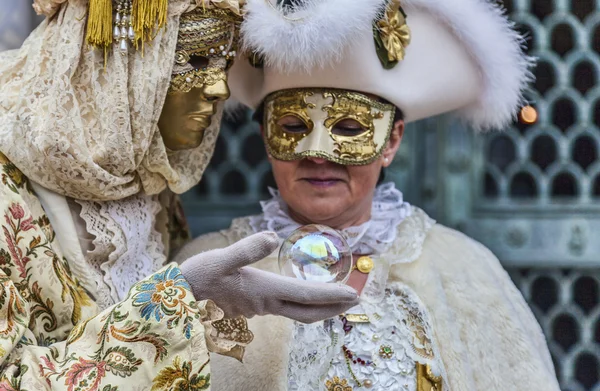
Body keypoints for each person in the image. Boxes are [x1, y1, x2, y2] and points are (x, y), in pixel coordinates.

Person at [173, 0, 562, 389]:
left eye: (348, 128)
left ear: (391, 141)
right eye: (292, 125)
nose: (317, 153)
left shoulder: (465, 271)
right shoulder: (210, 269)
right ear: (265, 137)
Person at [0, 0, 358, 389]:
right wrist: (173, 303)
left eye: (224, 66)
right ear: (122, 65)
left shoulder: (147, 186)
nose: (220, 90)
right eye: (198, 61)